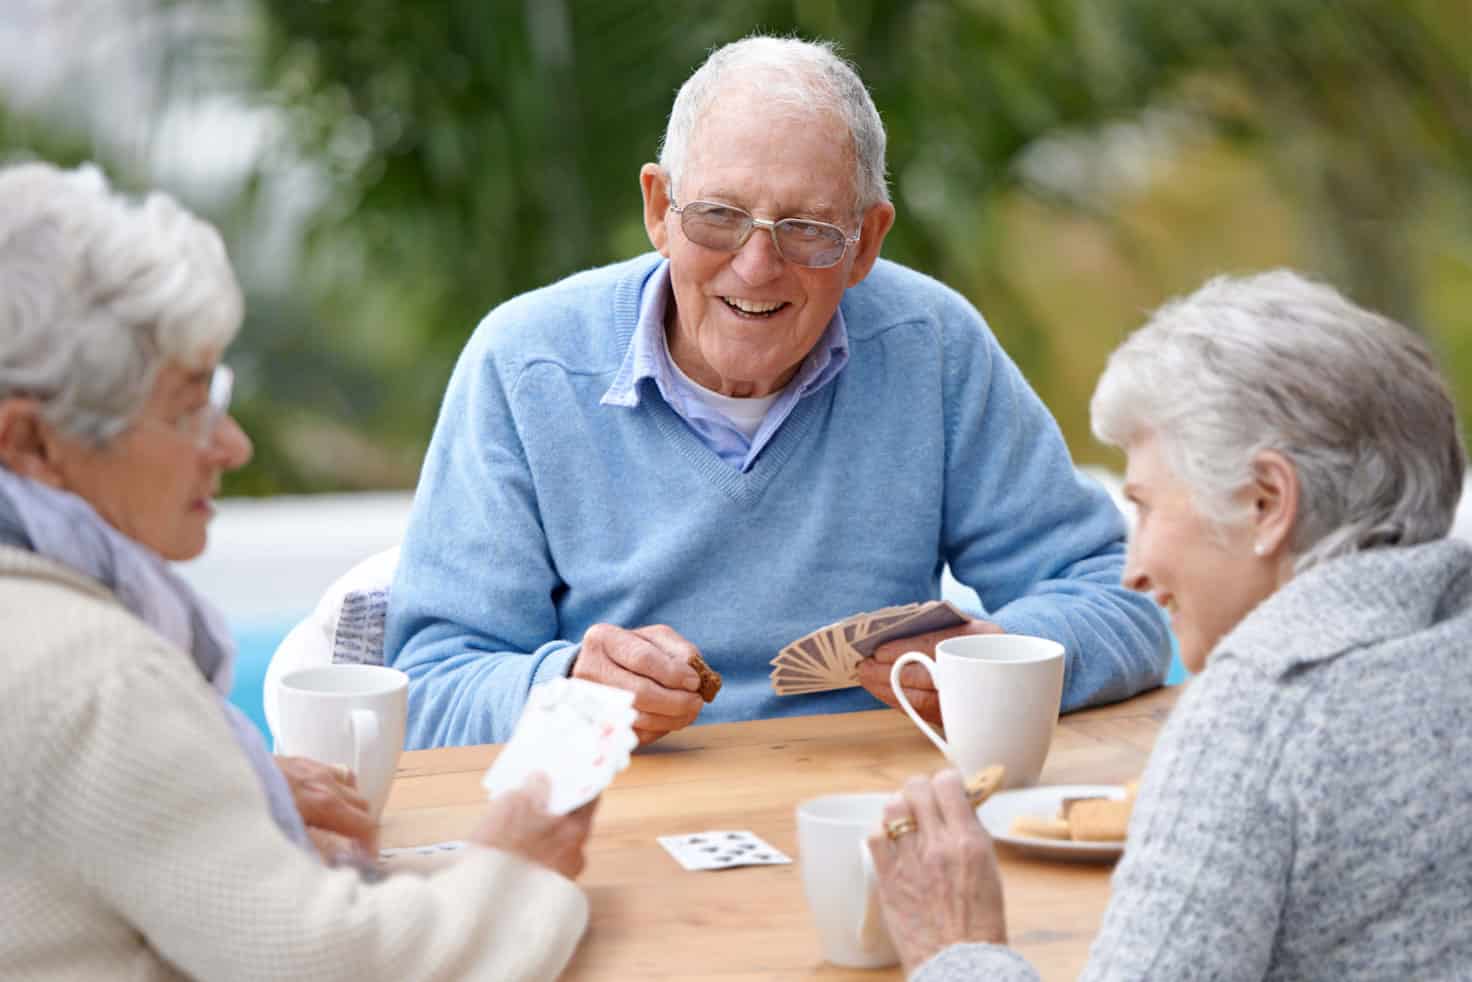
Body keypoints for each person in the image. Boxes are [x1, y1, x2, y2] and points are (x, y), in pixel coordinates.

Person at [385, 34, 1171, 749]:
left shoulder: (931, 347)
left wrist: (993, 657)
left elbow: (1126, 601)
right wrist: (561, 691)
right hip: (615, 810)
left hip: (869, 812)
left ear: (865, 241)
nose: (756, 267)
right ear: (659, 210)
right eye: (719, 216)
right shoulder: (526, 366)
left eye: (807, 228)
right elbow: (426, 687)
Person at [0, 161, 596, 980]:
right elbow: (329, 966)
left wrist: (227, 794)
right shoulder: (104, 684)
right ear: (31, 443)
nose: (232, 446)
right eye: (185, 409)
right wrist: (517, 864)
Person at [867, 271, 1472, 980]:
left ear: (1268, 502)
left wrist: (955, 948)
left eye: (1146, 507)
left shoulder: (1262, 715)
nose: (1134, 569)